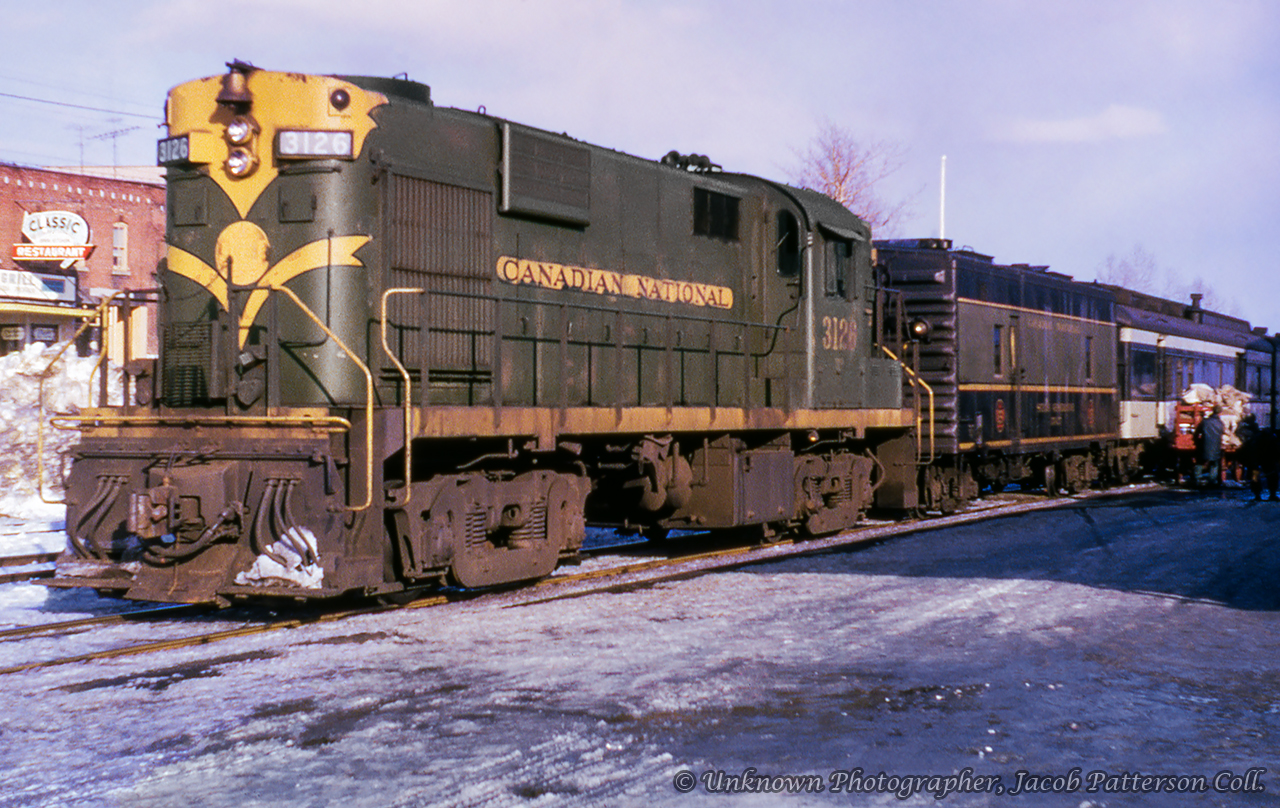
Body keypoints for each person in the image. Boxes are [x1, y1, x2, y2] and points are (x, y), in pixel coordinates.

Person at [1194, 408, 1224, 488]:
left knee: (1199, 462)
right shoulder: (1220, 423)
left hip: (1204, 445)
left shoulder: (1205, 422)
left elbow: (1197, 433)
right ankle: (1211, 481)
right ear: (1220, 413)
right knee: (1214, 464)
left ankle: (1197, 479)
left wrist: (1197, 442)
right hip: (1216, 446)